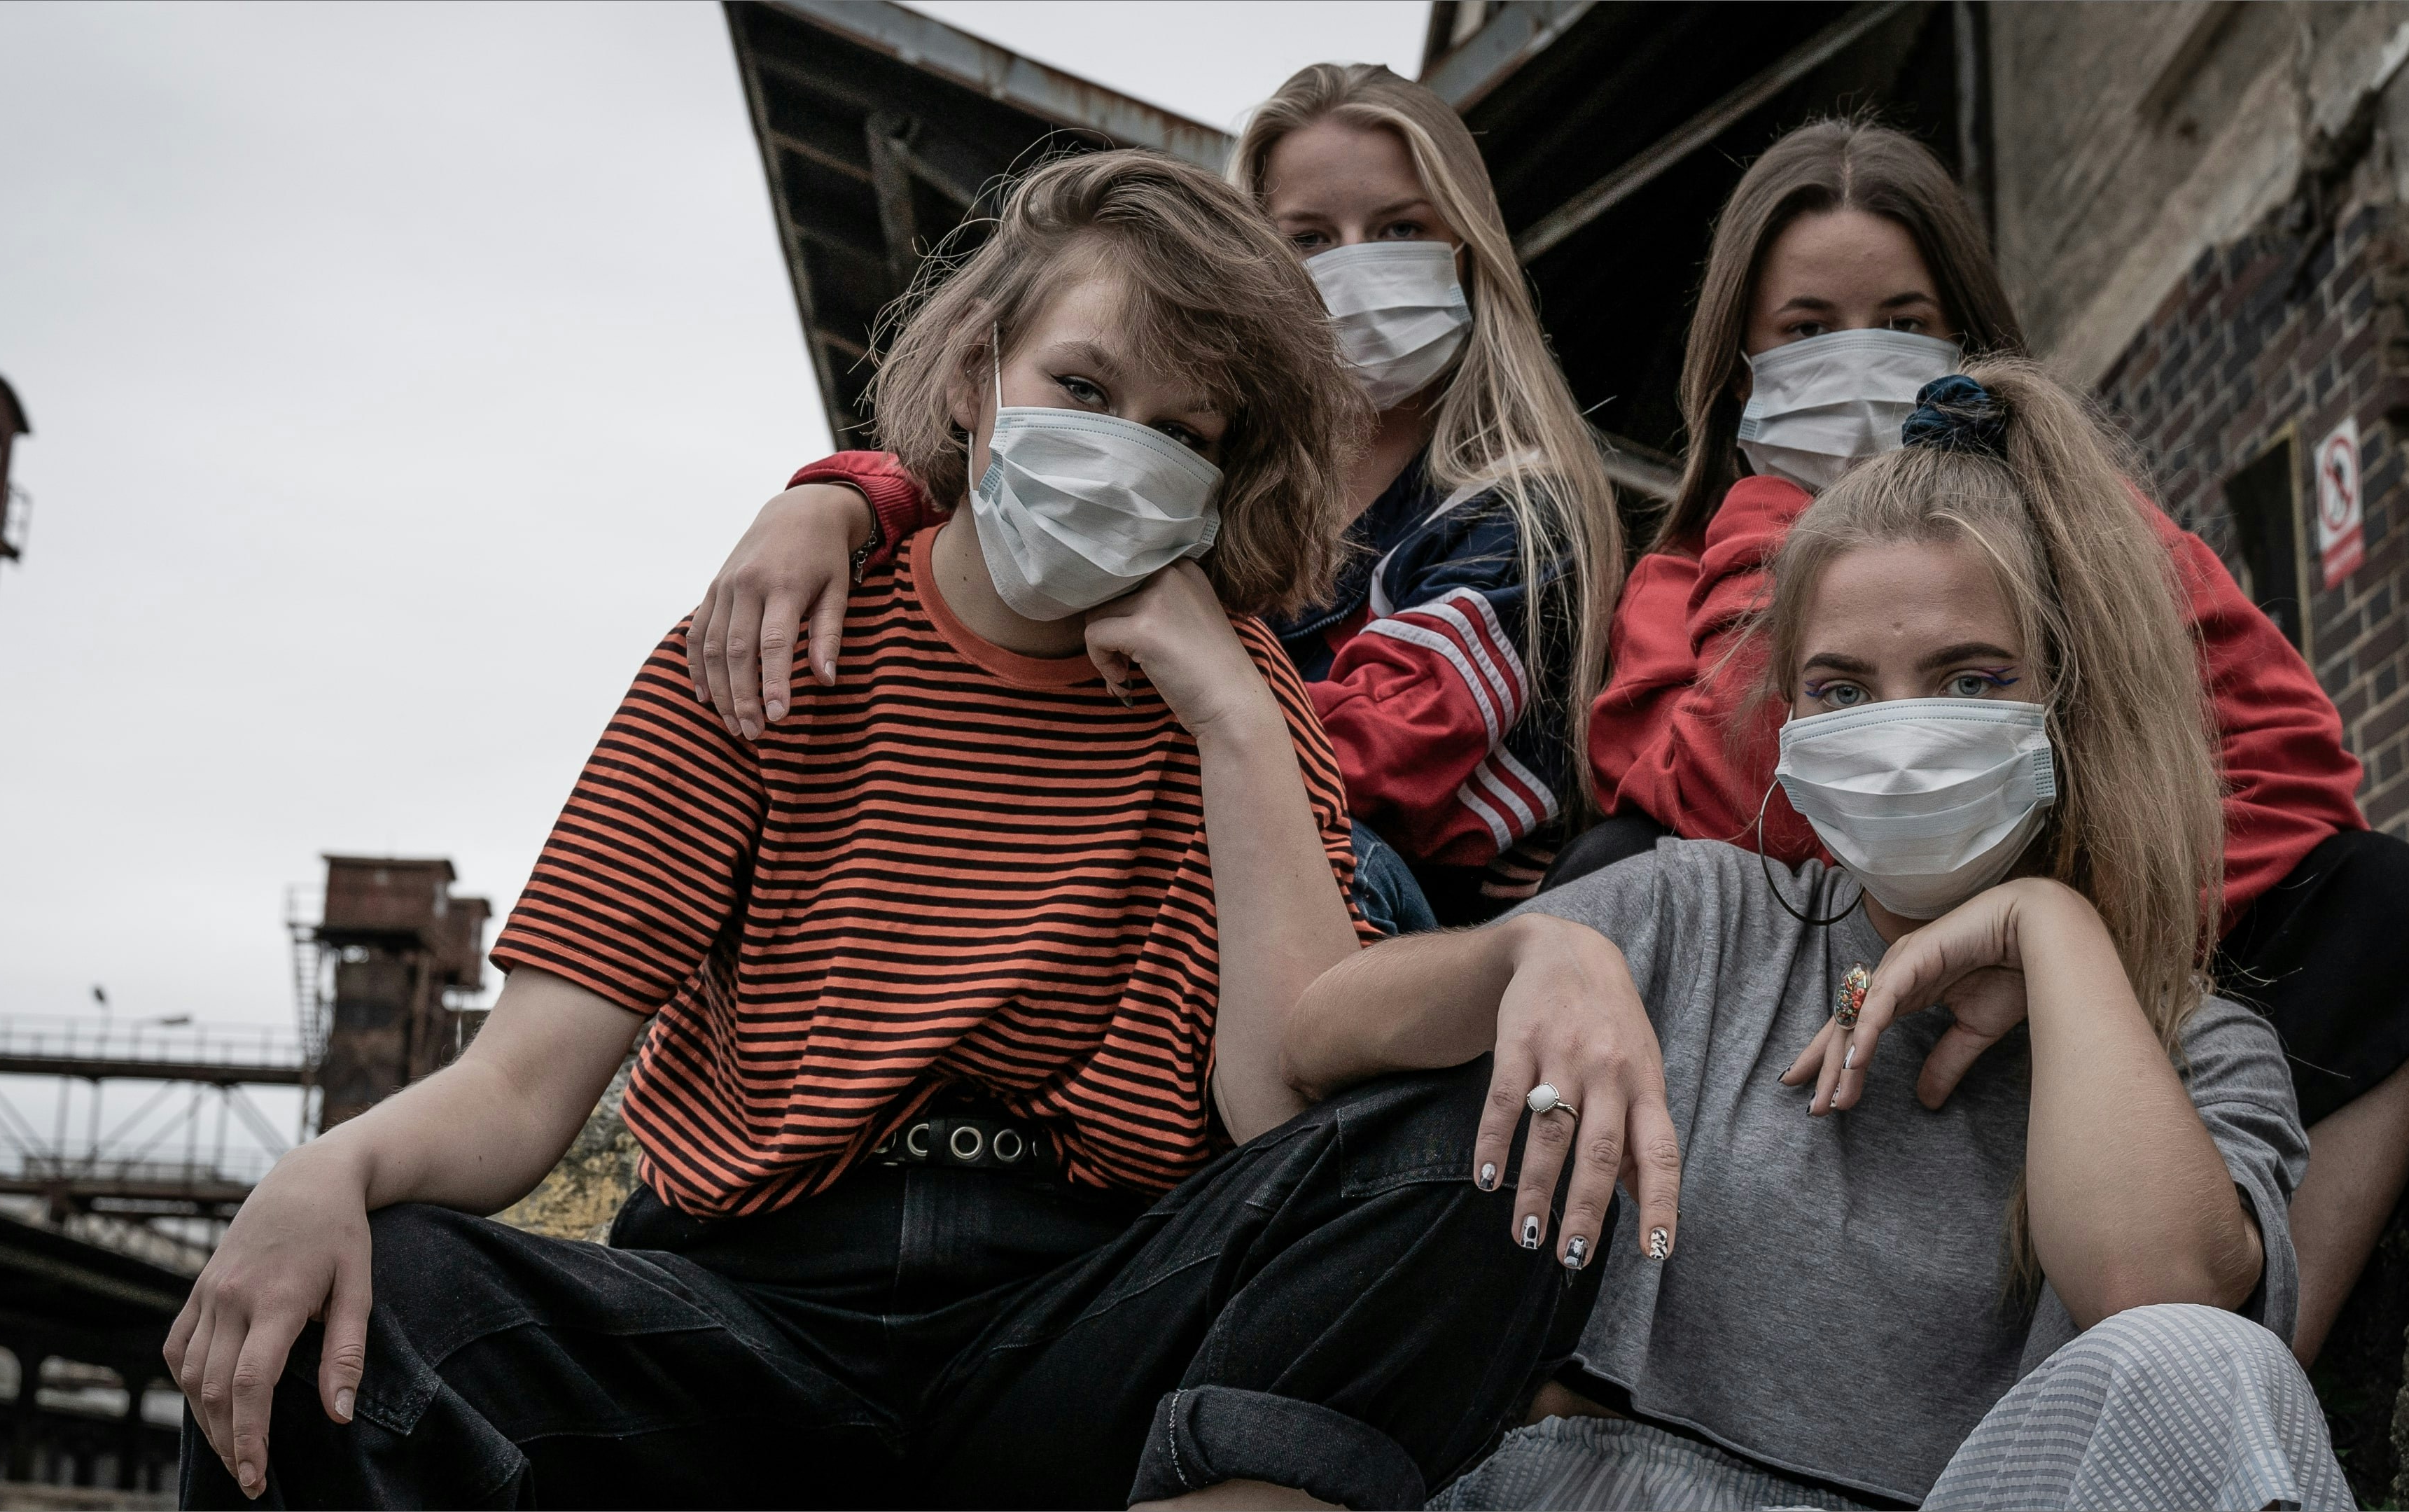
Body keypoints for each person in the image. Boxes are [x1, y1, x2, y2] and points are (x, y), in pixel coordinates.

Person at [160, 150, 1602, 1511]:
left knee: (1466, 1151)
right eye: (1084, 389)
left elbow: (1281, 1106)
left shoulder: (1241, 694)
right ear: (978, 378)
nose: (1118, 456)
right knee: (349, 1300)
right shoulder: (767, 643)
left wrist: (1226, 708)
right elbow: (523, 1091)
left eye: (1178, 436)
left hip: (1080, 1321)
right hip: (746, 1314)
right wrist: (324, 1172)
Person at [1287, 362, 2352, 1511]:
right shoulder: (1699, 913)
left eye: (1970, 677)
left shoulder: (2201, 1051)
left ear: (2069, 701)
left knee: (2221, 1360)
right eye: (1842, 691)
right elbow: (1316, 1033)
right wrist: (1530, 952)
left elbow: (2159, 1304)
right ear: (1785, 723)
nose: (1896, 730)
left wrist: (2052, 927)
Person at [1567, 115, 2409, 1365]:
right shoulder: (1681, 580)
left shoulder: (2111, 542)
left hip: (2087, 966)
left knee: (2390, 900)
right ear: (1739, 370)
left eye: (1903, 319)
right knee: (1599, 871)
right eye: (1807, 332)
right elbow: (1733, 797)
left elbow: (2294, 762)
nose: (1859, 362)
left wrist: (2082, 919)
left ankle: (2255, 1380)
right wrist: (1786, 531)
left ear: (1971, 340)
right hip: (1820, 988)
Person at [687, 64, 1625, 931]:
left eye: (1401, 231)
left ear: (1470, 249)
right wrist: (835, 500)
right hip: (1155, 838)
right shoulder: (1192, 474)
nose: (1353, 267)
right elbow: (987, 510)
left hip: (1375, 906)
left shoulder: (1519, 519)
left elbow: (1385, 762)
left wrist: (1191, 715)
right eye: (1307, 238)